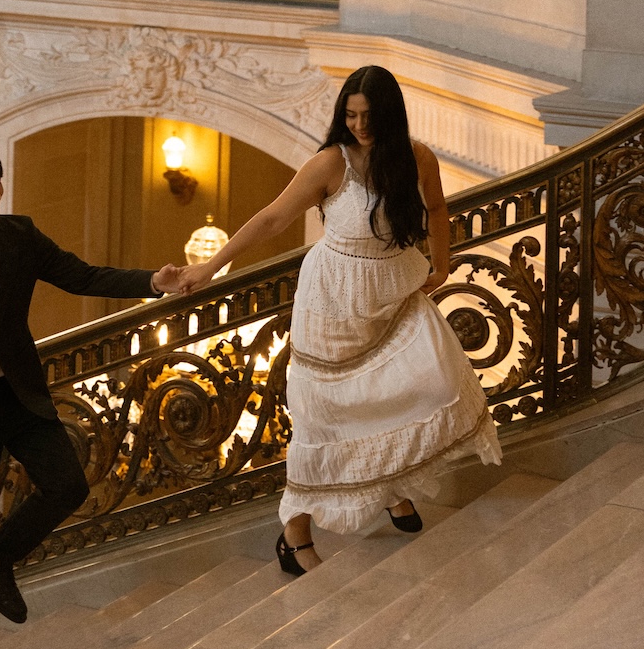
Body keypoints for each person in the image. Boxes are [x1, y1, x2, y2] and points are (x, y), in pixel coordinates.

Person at [176, 64, 502, 574]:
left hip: (395, 291)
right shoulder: (331, 162)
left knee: (430, 383)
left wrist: (443, 262)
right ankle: (295, 534)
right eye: (350, 115)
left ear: (389, 115)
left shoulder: (416, 157)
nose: (359, 125)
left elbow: (437, 208)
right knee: (324, 420)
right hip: (332, 302)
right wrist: (211, 267)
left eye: (369, 116)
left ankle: (389, 485)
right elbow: (273, 217)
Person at [0, 139, 184, 649]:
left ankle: (0, 555)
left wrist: (153, 282)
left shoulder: (18, 235)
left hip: (20, 395)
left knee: (67, 485)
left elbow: (82, 276)